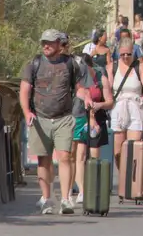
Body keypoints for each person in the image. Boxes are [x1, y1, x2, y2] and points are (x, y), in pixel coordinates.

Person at [20, 30, 90, 215]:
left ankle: (66, 199)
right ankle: (47, 199)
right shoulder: (34, 64)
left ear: (60, 44)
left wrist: (86, 98)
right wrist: (26, 112)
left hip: (64, 118)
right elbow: (24, 90)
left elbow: (78, 88)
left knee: (65, 157)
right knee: (43, 160)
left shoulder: (70, 64)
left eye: (50, 42)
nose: (46, 46)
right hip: (40, 118)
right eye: (44, 42)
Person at [74, 32, 111, 205]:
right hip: (81, 116)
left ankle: (95, 187)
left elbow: (110, 101)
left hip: (98, 117)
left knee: (94, 155)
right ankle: (82, 190)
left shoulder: (100, 76)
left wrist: (99, 106)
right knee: (80, 154)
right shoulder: (78, 80)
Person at [108, 38, 143, 191]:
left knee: (134, 149)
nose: (125, 57)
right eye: (122, 54)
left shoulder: (140, 67)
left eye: (129, 54)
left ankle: (132, 182)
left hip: (135, 108)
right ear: (118, 53)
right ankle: (124, 178)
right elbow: (108, 88)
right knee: (118, 152)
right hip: (118, 109)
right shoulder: (113, 67)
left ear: (134, 52)